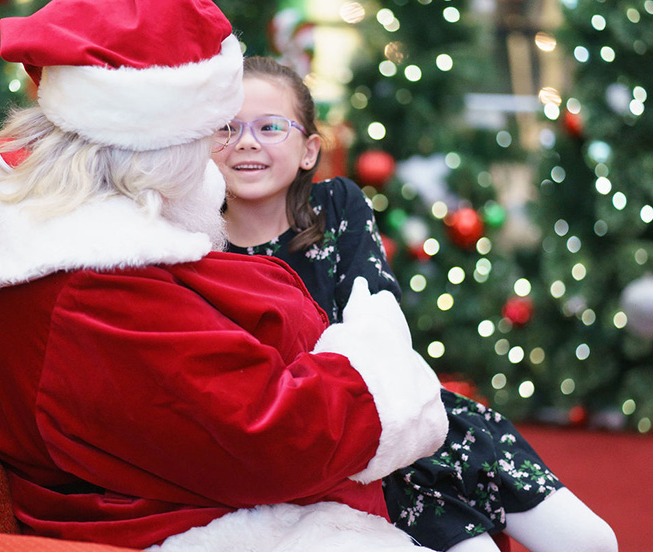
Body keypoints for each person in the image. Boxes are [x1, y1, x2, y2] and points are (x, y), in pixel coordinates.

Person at [0, 0, 449, 552]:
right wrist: (378, 370)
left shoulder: (78, 246)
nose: (220, 153)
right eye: (209, 134)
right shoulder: (94, 289)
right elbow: (270, 435)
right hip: (181, 528)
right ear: (157, 151)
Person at [213, 56, 619, 552]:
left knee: (592, 541)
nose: (246, 142)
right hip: (340, 461)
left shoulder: (337, 205)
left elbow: (377, 319)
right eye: (227, 128)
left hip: (412, 417)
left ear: (308, 149)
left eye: (271, 126)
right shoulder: (198, 244)